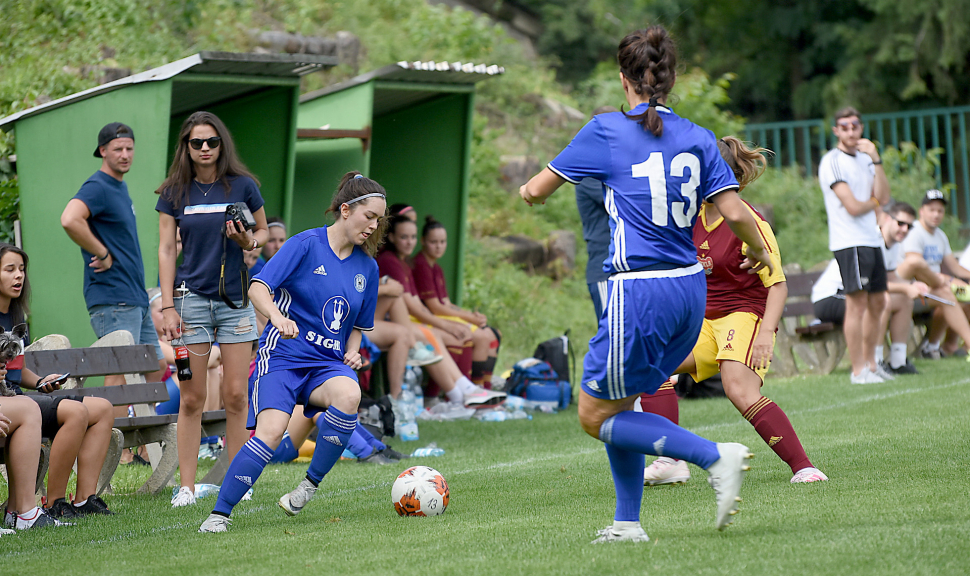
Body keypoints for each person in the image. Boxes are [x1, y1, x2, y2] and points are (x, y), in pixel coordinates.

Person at [519, 26, 773, 543]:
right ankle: (627, 523)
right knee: (625, 402)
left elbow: (534, 191)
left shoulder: (605, 130)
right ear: (671, 79)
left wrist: (533, 191)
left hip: (640, 292)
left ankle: (711, 456)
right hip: (689, 290)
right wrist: (758, 250)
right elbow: (736, 214)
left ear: (623, 78)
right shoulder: (700, 137)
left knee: (593, 415)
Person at [198, 171, 384, 533]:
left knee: (349, 394)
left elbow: (359, 325)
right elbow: (257, 288)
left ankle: (306, 488)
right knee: (270, 434)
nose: (374, 226)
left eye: (379, 219)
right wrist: (278, 316)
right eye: (369, 216)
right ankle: (219, 515)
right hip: (283, 357)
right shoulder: (304, 244)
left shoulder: (369, 268)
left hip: (326, 364)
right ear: (345, 210)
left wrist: (353, 351)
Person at [639, 137, 827, 486]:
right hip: (704, 321)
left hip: (745, 314)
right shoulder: (689, 217)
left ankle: (804, 467)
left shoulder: (748, 221)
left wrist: (767, 335)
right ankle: (672, 460)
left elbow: (778, 285)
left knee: (738, 388)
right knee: (649, 369)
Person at [156, 111, 270, 507]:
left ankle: (238, 481)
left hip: (235, 302)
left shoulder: (243, 185)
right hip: (189, 304)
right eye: (196, 143)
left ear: (222, 144)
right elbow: (167, 248)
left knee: (237, 395)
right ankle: (185, 487)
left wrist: (246, 242)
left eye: (212, 142)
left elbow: (264, 233)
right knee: (191, 398)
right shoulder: (173, 192)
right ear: (186, 147)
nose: (205, 149)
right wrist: (168, 305)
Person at [0, 243, 115, 519]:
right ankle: (54, 503)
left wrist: (41, 382)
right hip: (11, 405)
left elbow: (19, 370)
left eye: (22, 270)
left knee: (102, 409)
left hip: (19, 398)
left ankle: (84, 499)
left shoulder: (16, 316)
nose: (19, 276)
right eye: (10, 270)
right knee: (76, 412)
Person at [60, 122, 166, 394]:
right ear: (103, 151)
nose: (125, 154)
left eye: (129, 148)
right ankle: (111, 434)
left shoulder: (119, 187)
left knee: (156, 366)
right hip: (114, 299)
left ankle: (143, 434)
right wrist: (102, 252)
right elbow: (70, 219)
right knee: (118, 373)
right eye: (118, 149)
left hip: (135, 298)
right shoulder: (98, 186)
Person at [378, 214, 506, 407]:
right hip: (390, 323)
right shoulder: (393, 261)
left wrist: (467, 318)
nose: (409, 242)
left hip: (403, 321)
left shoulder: (403, 262)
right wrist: (449, 324)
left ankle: (465, 392)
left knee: (447, 336)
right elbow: (422, 307)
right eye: (404, 237)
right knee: (443, 336)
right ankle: (452, 396)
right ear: (392, 237)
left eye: (412, 237)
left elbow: (428, 304)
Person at [817, 107, 891, 384]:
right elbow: (853, 206)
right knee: (857, 303)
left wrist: (876, 159)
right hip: (850, 241)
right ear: (836, 131)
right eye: (844, 127)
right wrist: (873, 202)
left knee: (879, 301)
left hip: (872, 239)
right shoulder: (832, 161)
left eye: (855, 126)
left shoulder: (866, 160)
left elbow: (883, 195)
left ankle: (872, 364)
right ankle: (858, 369)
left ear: (861, 127)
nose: (850, 132)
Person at [413, 215, 501, 386]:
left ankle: (485, 386)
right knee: (482, 337)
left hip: (438, 316)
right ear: (423, 241)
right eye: (434, 242)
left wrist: (471, 315)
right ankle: (476, 387)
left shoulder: (436, 267)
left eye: (442, 242)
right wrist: (470, 319)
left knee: (492, 334)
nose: (439, 246)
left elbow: (446, 303)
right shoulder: (421, 264)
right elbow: (436, 308)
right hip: (427, 319)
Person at [896, 189, 970, 359]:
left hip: (937, 288)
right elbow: (916, 267)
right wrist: (944, 280)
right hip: (914, 290)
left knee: (967, 295)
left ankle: (941, 346)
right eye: (932, 210)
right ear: (922, 211)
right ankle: (936, 346)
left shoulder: (940, 236)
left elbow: (955, 267)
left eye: (940, 211)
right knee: (949, 294)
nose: (936, 214)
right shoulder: (913, 232)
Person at [576, 106, 618, 320]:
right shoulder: (589, 173)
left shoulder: (615, 168)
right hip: (604, 269)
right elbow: (624, 202)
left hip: (626, 270)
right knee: (611, 340)